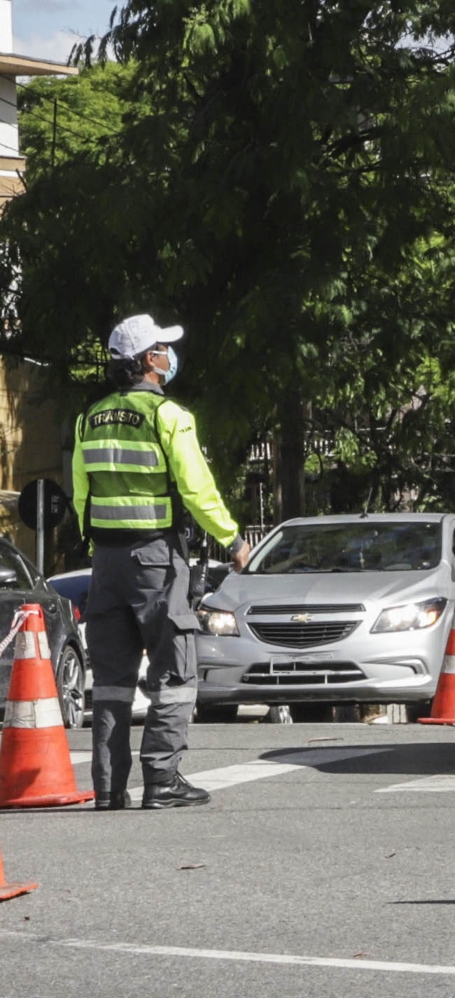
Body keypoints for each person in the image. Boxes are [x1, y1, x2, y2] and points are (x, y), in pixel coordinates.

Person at [71, 314, 252, 811]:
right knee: (174, 672)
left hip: (105, 562)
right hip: (155, 559)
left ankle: (109, 788)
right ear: (149, 360)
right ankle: (162, 780)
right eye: (163, 349)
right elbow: (197, 488)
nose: (170, 357)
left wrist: (100, 554)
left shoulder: (90, 418)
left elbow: (82, 497)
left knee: (110, 681)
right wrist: (232, 539)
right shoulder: (167, 415)